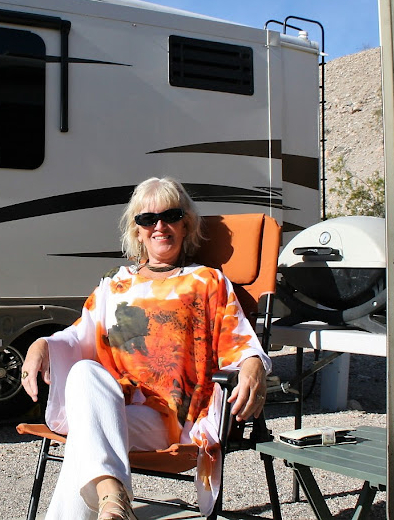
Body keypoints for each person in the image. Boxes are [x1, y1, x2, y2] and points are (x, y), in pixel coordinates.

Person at [21, 177, 270, 520]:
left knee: (85, 435)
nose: (160, 226)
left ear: (186, 224)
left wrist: (254, 364)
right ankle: (113, 501)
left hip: (170, 418)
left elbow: (239, 341)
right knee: (83, 374)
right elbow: (79, 336)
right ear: (137, 231)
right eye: (148, 219)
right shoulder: (116, 282)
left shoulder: (207, 281)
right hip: (112, 406)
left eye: (171, 216)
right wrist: (42, 344)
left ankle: (114, 499)